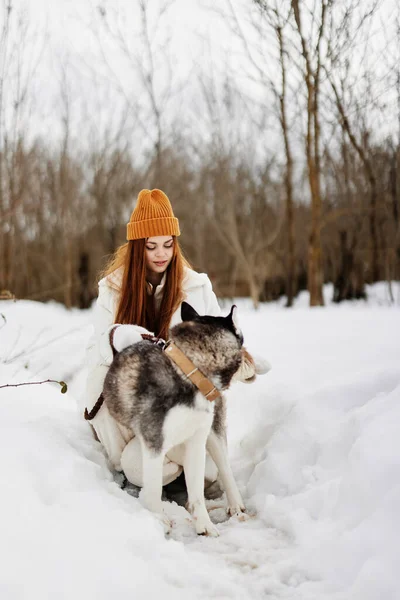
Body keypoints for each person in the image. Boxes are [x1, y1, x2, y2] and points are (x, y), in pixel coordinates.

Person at [83, 188, 262, 488]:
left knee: (208, 474)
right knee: (101, 375)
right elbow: (92, 353)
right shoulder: (112, 288)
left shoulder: (196, 286)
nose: (161, 254)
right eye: (151, 247)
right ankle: (130, 464)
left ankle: (179, 464)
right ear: (138, 247)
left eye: (168, 245)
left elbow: (221, 341)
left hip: (184, 406)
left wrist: (243, 362)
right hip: (138, 408)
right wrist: (115, 338)